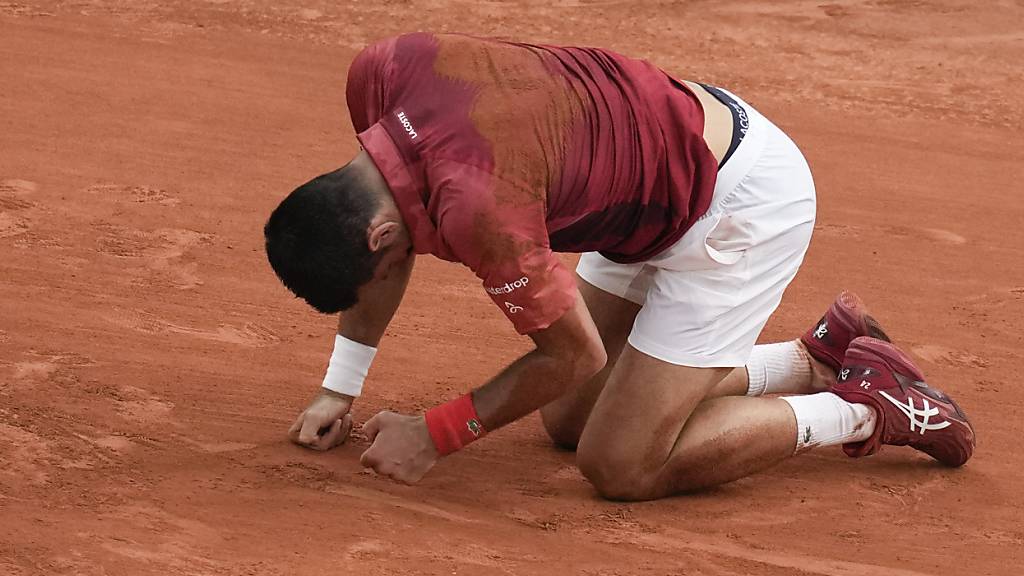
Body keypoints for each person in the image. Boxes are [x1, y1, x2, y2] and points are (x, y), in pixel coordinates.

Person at [263, 33, 975, 500]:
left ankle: (865, 407)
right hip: (648, 169)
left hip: (739, 206)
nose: (388, 277)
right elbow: (378, 246)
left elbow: (572, 353)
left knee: (622, 464)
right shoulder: (378, 74)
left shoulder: (480, 208)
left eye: (383, 269)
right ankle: (812, 359)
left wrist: (441, 431)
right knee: (569, 422)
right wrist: (340, 388)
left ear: (384, 234)